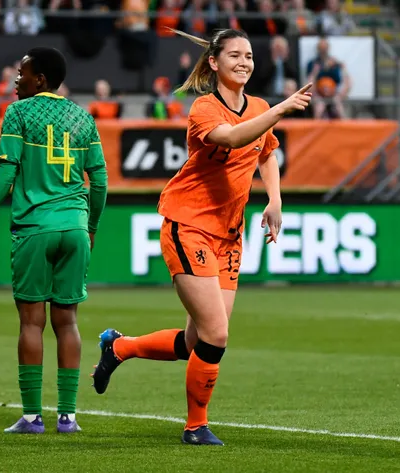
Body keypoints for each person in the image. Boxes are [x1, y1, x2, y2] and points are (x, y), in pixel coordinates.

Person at [91, 28, 311, 446]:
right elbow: (234, 137)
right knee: (216, 334)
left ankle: (119, 348)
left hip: (228, 234)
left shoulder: (259, 107)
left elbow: (266, 152)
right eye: (235, 55)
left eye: (249, 55)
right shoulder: (204, 108)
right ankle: (196, 426)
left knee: (197, 339)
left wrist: (275, 199)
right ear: (214, 62)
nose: (244, 62)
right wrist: (282, 109)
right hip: (188, 223)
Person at [0, 47, 108, 434]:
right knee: (68, 321)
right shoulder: (83, 116)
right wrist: (91, 227)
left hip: (34, 228)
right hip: (75, 228)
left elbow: (6, 174)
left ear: (40, 79)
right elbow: (100, 180)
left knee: (31, 322)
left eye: (22, 73)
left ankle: (31, 417)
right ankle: (68, 417)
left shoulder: (18, 113)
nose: (16, 80)